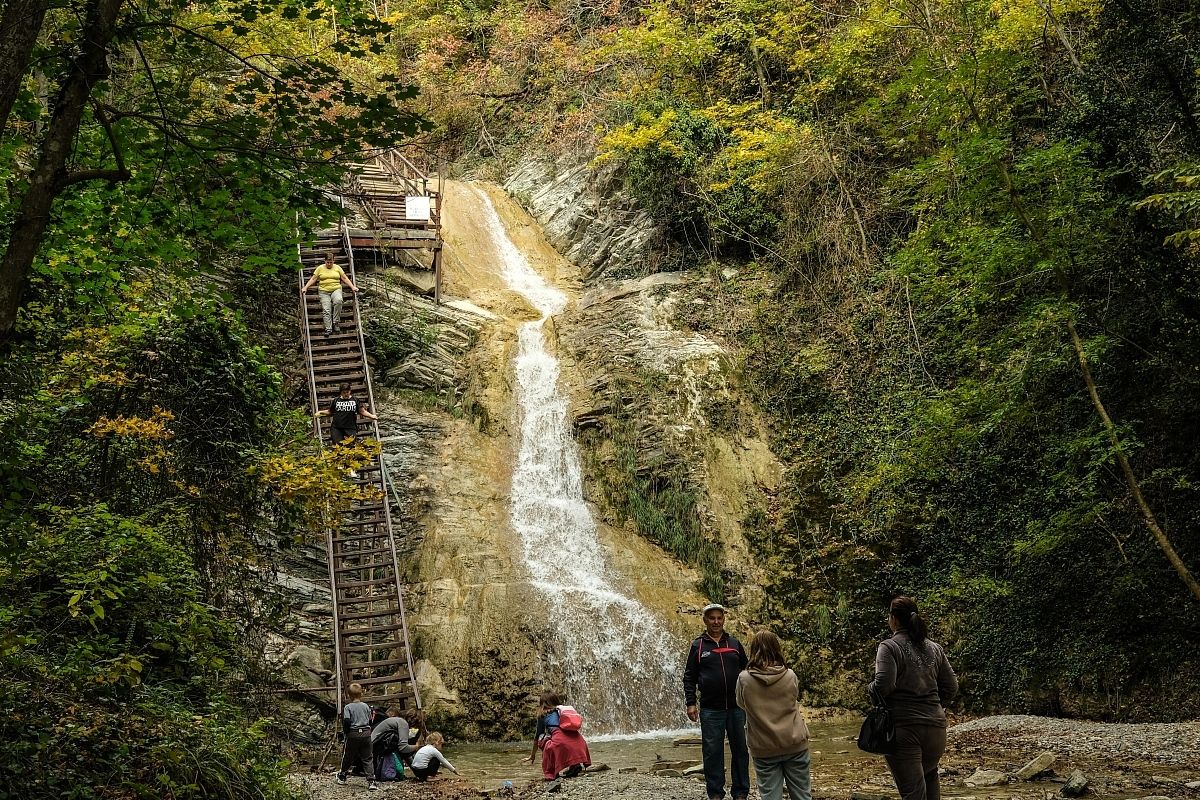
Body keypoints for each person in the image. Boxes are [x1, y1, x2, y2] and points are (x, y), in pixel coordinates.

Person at [868, 596, 959, 800]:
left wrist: (870, 688)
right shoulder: (934, 648)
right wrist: (935, 705)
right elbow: (952, 686)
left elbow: (883, 685)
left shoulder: (889, 647)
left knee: (913, 794)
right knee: (930, 779)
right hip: (936, 729)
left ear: (894, 619)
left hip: (905, 729)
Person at [683, 603, 749, 800]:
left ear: (724, 619)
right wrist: (691, 703)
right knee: (712, 752)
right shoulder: (698, 646)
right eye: (711, 618)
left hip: (737, 707)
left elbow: (748, 672)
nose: (716, 622)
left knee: (740, 750)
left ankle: (741, 792)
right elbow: (689, 677)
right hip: (711, 709)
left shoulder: (735, 644)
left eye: (719, 618)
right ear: (705, 621)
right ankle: (715, 793)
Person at [735, 630, 811, 800]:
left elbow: (741, 704)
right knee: (802, 795)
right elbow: (794, 697)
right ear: (777, 648)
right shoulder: (790, 675)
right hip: (794, 742)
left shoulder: (744, 679)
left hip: (763, 746)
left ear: (753, 650)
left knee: (770, 796)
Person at [523, 690, 590, 781]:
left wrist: (532, 755)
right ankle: (574, 765)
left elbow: (537, 736)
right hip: (579, 741)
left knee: (543, 739)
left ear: (542, 703)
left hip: (560, 742)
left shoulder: (543, 714)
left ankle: (552, 772)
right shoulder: (564, 711)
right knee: (563, 740)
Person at [315, 382, 377, 477]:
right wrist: (321, 412)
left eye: (347, 392)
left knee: (350, 447)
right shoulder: (336, 401)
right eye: (344, 392)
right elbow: (330, 411)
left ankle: (350, 469)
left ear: (350, 391)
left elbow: (362, 411)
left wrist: (371, 416)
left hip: (350, 427)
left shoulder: (355, 400)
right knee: (338, 446)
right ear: (341, 392)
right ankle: (340, 465)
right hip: (337, 427)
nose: (346, 394)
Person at [301, 252, 358, 336]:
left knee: (338, 300)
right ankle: (328, 328)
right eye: (327, 262)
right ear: (325, 261)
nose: (329, 264)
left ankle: (335, 322)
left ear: (333, 261)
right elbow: (313, 279)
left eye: (331, 262)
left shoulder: (337, 268)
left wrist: (352, 287)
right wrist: (305, 287)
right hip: (324, 291)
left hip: (336, 289)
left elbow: (344, 278)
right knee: (326, 309)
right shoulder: (320, 268)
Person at [335, 683, 378, 790]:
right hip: (366, 734)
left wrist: (346, 732)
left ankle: (343, 775)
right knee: (367, 758)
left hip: (353, 734)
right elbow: (369, 720)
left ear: (349, 695)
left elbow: (347, 721)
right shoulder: (365, 706)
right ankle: (371, 781)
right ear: (361, 694)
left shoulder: (348, 707)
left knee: (348, 756)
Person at [371, 706, 419, 780]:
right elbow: (403, 748)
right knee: (407, 747)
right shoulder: (403, 724)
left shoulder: (399, 721)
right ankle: (390, 772)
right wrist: (417, 747)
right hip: (377, 747)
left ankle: (417, 771)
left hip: (375, 746)